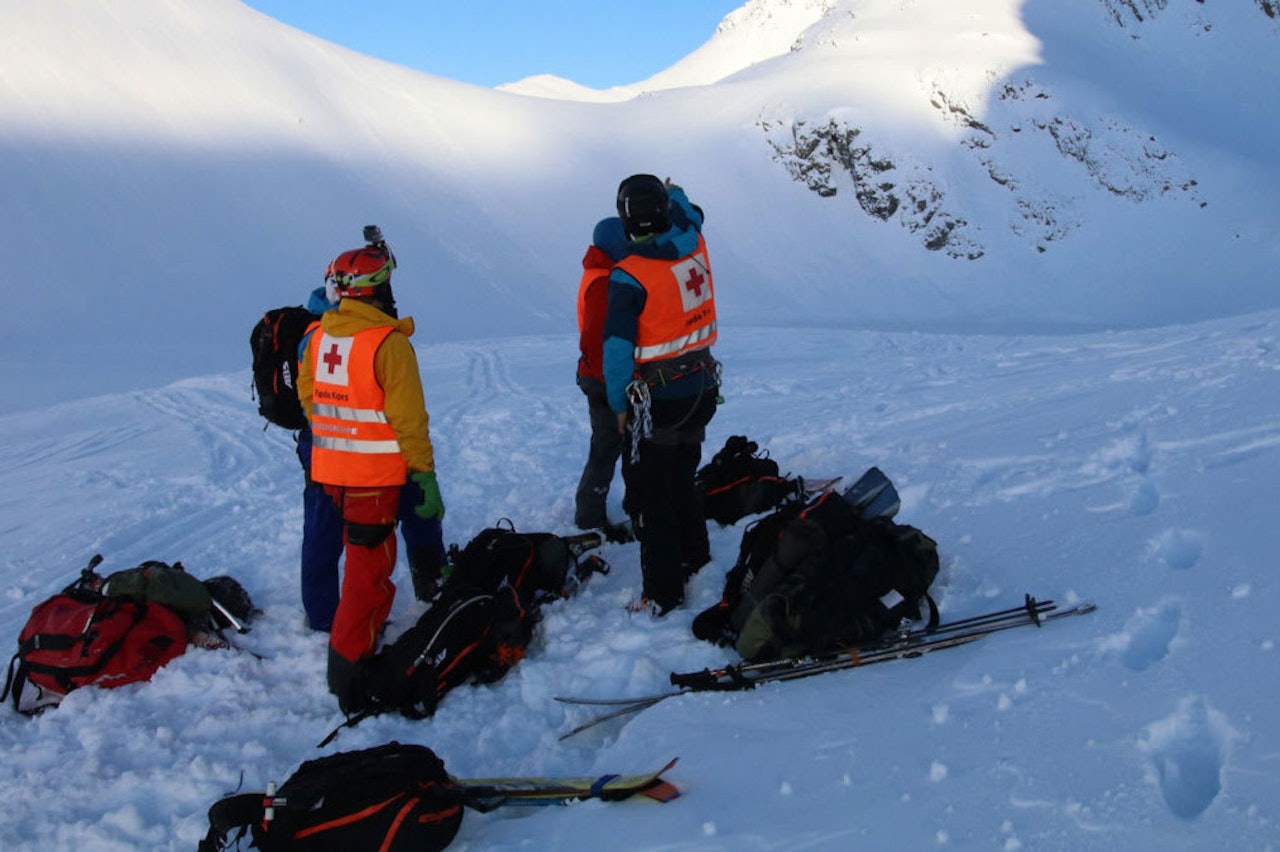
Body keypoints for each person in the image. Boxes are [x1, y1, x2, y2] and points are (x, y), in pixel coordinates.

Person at [297, 228, 446, 712]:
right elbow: (408, 419)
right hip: (372, 480)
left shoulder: (317, 336)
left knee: (358, 559)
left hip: (329, 474)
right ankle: (347, 667)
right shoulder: (388, 343)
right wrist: (423, 474)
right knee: (368, 571)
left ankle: (358, 632)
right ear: (378, 287)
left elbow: (309, 400)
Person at [603, 175, 720, 616]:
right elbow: (692, 213)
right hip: (701, 387)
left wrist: (618, 405)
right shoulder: (693, 242)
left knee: (651, 495)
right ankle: (696, 557)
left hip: (658, 402)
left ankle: (664, 593)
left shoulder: (629, 274)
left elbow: (616, 350)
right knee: (682, 477)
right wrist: (675, 192)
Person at [574, 216, 635, 542]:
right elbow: (598, 342)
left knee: (616, 444)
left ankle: (617, 508)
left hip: (601, 376)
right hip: (604, 380)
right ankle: (589, 518)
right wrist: (616, 388)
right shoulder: (603, 282)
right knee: (607, 445)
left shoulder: (604, 274)